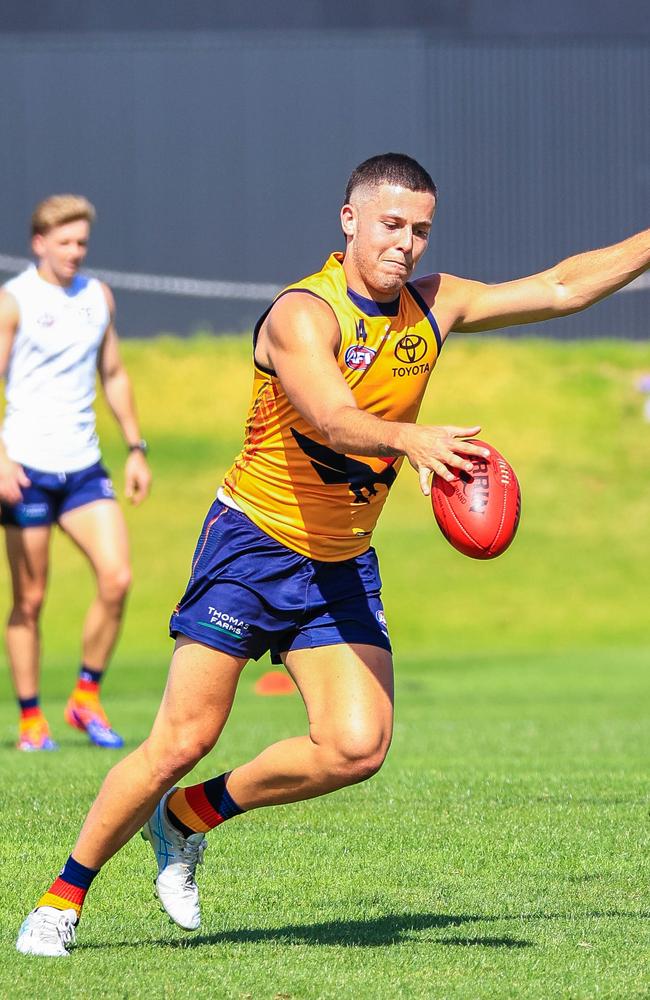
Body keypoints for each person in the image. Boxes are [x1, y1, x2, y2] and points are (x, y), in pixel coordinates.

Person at [16, 154, 649, 956]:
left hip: (340, 560)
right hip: (251, 547)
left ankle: (185, 820)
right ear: (349, 220)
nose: (407, 244)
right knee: (181, 738)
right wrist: (410, 438)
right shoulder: (301, 314)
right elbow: (332, 416)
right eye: (391, 225)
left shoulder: (434, 304)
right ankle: (60, 899)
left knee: (357, 745)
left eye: (421, 229)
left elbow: (562, 286)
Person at [0, 194, 152, 753]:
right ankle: (30, 717)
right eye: (64, 242)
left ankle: (85, 698)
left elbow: (112, 373)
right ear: (40, 243)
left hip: (84, 466)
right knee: (31, 598)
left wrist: (136, 447)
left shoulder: (98, 297)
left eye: (81, 242)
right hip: (27, 468)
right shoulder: (14, 300)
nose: (74, 252)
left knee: (117, 578)